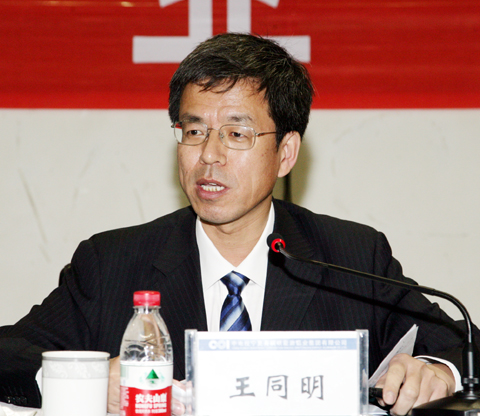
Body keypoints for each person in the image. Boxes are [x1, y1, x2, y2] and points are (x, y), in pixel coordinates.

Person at [0, 33, 471, 416]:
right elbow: (9, 353)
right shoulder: (111, 263)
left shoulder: (350, 256)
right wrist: (86, 381)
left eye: (236, 133)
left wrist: (439, 371)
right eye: (194, 130)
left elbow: (463, 345)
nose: (209, 155)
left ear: (285, 153)